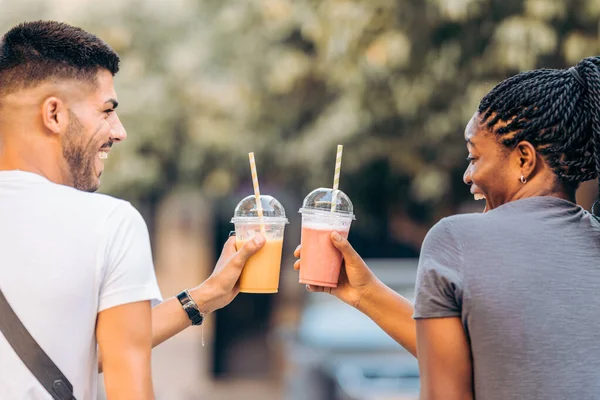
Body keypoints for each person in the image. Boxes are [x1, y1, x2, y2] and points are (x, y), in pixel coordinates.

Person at [295, 56, 600, 400]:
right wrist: (365, 292)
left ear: (524, 159)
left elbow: (447, 391)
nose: (468, 176)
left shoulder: (455, 240)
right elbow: (485, 362)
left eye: (474, 158)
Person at [0, 20, 265, 399]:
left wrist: (205, 295)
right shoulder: (109, 224)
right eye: (106, 111)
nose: (119, 131)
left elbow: (75, 349)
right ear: (54, 114)